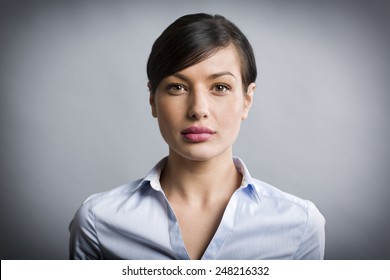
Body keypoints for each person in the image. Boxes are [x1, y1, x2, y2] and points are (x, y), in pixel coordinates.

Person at [69, 13, 325, 260]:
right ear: (153, 100)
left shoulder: (300, 225)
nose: (198, 109)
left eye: (220, 87)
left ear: (247, 99)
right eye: (177, 87)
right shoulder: (97, 221)